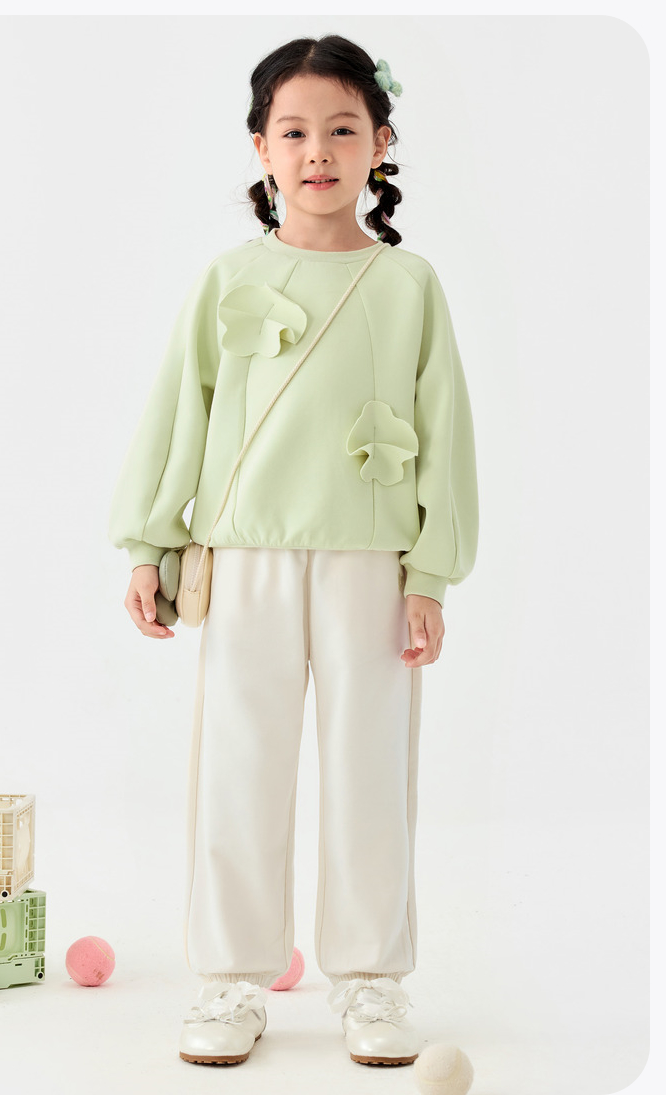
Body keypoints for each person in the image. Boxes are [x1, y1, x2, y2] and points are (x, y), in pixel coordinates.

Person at [108, 33, 479, 1067]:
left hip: (372, 564)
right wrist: (149, 543)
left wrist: (431, 573)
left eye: (343, 129)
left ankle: (370, 980)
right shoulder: (229, 278)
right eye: (296, 131)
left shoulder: (409, 285)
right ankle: (230, 980)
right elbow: (179, 413)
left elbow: (445, 432)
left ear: (381, 143)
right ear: (261, 147)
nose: (319, 151)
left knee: (371, 769)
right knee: (239, 765)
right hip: (244, 562)